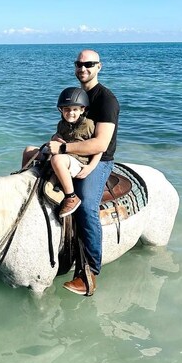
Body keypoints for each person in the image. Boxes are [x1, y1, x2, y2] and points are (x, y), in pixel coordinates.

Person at [50, 49, 119, 296]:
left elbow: (100, 144)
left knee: (88, 205)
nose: (83, 68)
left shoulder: (106, 100)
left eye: (89, 64)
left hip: (98, 161)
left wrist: (63, 148)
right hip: (72, 154)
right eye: (79, 64)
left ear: (99, 66)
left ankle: (89, 272)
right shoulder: (76, 96)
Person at [50, 87, 102, 218]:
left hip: (78, 161)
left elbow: (98, 148)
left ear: (82, 110)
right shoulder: (61, 124)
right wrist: (54, 139)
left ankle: (71, 197)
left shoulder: (89, 125)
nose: (70, 113)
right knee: (28, 150)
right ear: (61, 110)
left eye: (75, 109)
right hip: (65, 157)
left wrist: (91, 166)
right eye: (66, 109)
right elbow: (57, 136)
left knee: (57, 160)